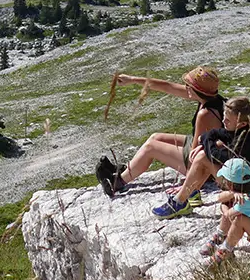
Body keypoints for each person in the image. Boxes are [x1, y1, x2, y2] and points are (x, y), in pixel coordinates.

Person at [96, 66, 225, 198]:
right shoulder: (213, 99)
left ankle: (117, 182)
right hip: (208, 150)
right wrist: (133, 80)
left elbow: (195, 154)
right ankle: (129, 170)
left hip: (205, 166)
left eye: (188, 86)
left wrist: (188, 186)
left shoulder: (205, 115)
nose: (185, 88)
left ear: (196, 90)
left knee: (151, 147)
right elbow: (168, 86)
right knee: (156, 137)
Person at [152, 96, 250, 219]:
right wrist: (204, 143)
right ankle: (190, 193)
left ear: (242, 123)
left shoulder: (247, 140)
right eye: (224, 118)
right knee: (204, 154)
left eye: (227, 121)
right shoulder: (241, 129)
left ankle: (179, 202)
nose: (223, 122)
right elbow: (212, 133)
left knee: (203, 157)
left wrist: (205, 145)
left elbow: (215, 156)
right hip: (245, 182)